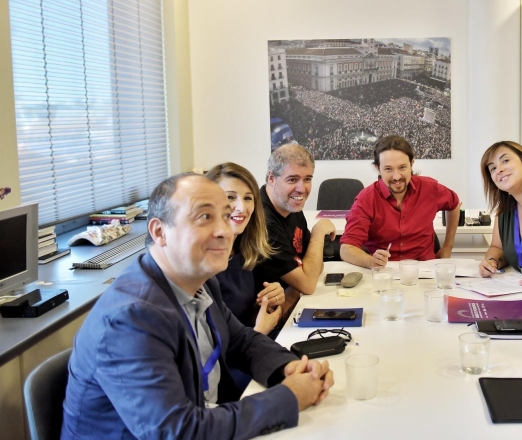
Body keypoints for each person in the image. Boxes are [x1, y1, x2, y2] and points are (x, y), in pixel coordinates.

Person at [62, 173, 334, 439]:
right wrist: (290, 397)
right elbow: (177, 431)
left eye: (226, 217)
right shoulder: (132, 318)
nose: (224, 231)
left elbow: (240, 341)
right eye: (205, 217)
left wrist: (288, 368)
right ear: (159, 232)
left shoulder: (200, 281)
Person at [339, 135, 461, 268]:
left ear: (412, 164)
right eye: (388, 169)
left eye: (402, 167)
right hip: (385, 272)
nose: (397, 177)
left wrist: (448, 246)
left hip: (425, 270)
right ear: (377, 168)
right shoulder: (366, 199)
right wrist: (370, 261)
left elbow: (454, 205)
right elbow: (346, 249)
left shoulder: (430, 188)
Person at [252, 145, 336, 307]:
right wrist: (318, 233)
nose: (302, 189)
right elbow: (308, 284)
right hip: (268, 318)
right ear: (271, 178)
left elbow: (315, 267)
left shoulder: (289, 206)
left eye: (307, 179)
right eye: (292, 179)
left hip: (292, 303)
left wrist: (300, 282)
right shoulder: (263, 222)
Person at [207, 162, 284, 335]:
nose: (242, 208)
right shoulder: (202, 267)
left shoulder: (244, 252)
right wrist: (259, 332)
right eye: (230, 197)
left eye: (248, 198)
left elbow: (240, 320)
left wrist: (264, 304)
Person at [477, 141, 522, 280]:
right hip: (519, 288)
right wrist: (492, 262)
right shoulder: (504, 210)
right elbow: (497, 248)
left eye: (505, 160)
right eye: (493, 168)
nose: (499, 170)